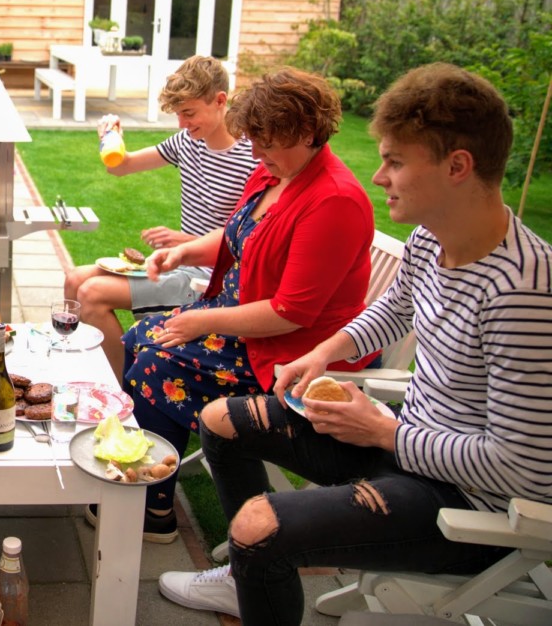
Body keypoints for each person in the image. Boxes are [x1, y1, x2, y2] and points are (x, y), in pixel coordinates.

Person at [156, 63, 552, 625]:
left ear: (457, 166)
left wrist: (386, 431)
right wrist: (323, 353)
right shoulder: (429, 240)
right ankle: (244, 580)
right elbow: (392, 311)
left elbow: (520, 467)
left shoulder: (525, 292)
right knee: (222, 421)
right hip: (408, 445)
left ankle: (256, 562)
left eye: (395, 161)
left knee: (257, 528)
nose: (379, 176)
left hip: (470, 507)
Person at [103, 68, 379, 543]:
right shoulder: (275, 171)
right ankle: (148, 477)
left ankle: (154, 507)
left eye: (267, 142)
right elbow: (239, 236)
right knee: (136, 339)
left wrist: (201, 321)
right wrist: (187, 251)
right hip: (238, 323)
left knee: (155, 363)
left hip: (284, 352)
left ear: (308, 132)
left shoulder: (334, 200)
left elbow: (292, 312)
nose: (256, 152)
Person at [63, 56, 257, 379]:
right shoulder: (187, 142)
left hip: (209, 280)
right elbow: (120, 166)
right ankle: (78, 369)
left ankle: (122, 392)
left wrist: (186, 243)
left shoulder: (252, 157)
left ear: (220, 101)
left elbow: (247, 238)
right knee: (74, 279)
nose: (181, 123)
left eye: (189, 113)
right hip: (175, 261)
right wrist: (109, 138)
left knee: (91, 295)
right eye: (178, 114)